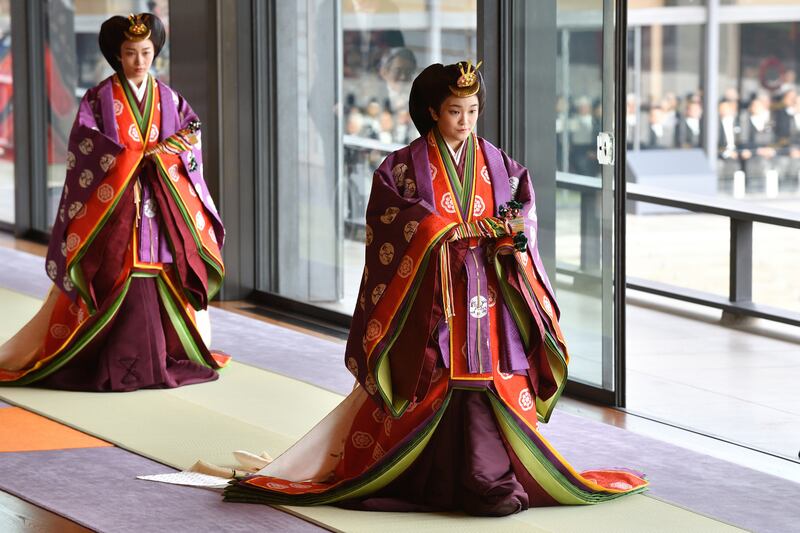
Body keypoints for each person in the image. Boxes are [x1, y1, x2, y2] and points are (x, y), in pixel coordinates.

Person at [223, 61, 647, 515]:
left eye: (471, 110)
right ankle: (423, 478)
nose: (464, 122)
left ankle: (491, 476)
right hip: (433, 299)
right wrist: (443, 232)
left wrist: (510, 234)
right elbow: (390, 218)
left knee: (492, 381)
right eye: (453, 112)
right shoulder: (403, 168)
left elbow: (522, 210)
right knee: (432, 379)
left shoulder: (499, 165)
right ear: (432, 111)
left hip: (487, 292)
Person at [0, 13, 227, 391]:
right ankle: (106, 357)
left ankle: (160, 356)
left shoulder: (169, 99)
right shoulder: (99, 99)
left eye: (146, 52)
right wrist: (133, 157)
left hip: (160, 207)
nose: (139, 61)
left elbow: (191, 140)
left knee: (159, 274)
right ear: (116, 56)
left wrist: (170, 152)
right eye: (130, 53)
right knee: (114, 274)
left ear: (155, 53)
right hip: (116, 208)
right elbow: (86, 147)